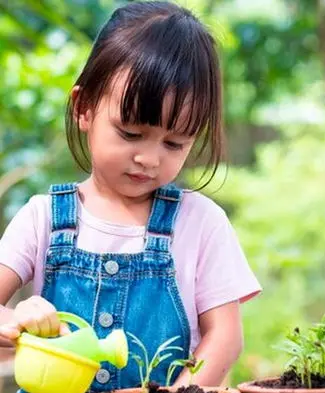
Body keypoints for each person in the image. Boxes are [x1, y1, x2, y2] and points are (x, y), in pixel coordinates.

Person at [0, 1, 261, 391]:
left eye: (174, 143)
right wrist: (15, 317)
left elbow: (224, 337)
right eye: (130, 133)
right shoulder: (43, 219)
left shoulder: (200, 222)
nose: (149, 158)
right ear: (84, 107)